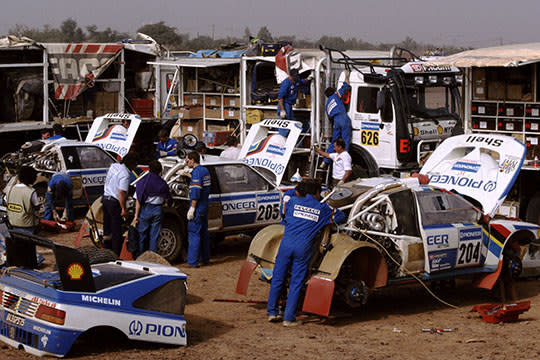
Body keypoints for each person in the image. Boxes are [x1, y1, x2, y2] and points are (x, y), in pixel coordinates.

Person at [267, 178, 345, 326]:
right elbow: (340, 216)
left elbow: (284, 215)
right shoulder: (322, 208)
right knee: (296, 282)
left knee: (278, 278)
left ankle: (272, 312)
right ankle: (289, 318)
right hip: (303, 248)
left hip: (285, 245)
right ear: (317, 192)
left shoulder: (292, 202)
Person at [102, 152, 139, 255]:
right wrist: (123, 209)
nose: (135, 167)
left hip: (105, 199)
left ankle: (106, 252)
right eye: (135, 165)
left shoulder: (114, 166)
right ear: (132, 164)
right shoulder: (125, 174)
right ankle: (115, 254)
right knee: (116, 231)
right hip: (114, 203)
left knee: (107, 229)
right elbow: (121, 192)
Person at [134, 160, 172, 255]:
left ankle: (141, 255)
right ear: (160, 171)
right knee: (154, 236)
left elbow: (138, 200)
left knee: (142, 234)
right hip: (158, 210)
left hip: (145, 210)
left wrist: (136, 215)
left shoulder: (143, 182)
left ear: (149, 169)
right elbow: (167, 199)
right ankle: (152, 257)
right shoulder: (163, 183)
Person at [185, 151, 211, 267]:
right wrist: (188, 176)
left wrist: (192, 208)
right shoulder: (204, 170)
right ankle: (205, 258)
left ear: (192, 160)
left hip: (198, 206)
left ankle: (192, 262)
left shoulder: (196, 172)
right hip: (205, 205)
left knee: (193, 233)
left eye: (186, 161)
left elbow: (196, 191)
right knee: (203, 233)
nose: (186, 163)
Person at [322, 70, 352, 166]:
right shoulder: (336, 96)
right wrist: (347, 76)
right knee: (345, 140)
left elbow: (330, 118)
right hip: (343, 118)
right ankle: (345, 161)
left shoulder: (327, 105)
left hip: (335, 121)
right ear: (333, 92)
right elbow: (345, 87)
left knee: (334, 142)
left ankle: (325, 161)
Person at [6, 166, 40, 234]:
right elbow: (37, 207)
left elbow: (6, 202)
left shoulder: (9, 189)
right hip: (27, 225)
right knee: (28, 244)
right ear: (31, 178)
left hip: (13, 223)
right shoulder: (31, 191)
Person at [277, 69, 310, 135]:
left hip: (289, 104)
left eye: (296, 76)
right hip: (284, 104)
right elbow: (280, 98)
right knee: (284, 123)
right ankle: (284, 137)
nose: (295, 78)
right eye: (294, 77)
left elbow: (302, 81)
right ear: (290, 76)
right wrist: (282, 110)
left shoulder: (296, 81)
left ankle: (290, 137)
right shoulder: (286, 84)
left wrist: (308, 78)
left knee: (291, 122)